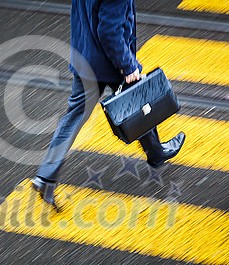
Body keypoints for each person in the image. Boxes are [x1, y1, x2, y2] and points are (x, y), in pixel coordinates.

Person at [31, 0, 186, 209]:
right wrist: (128, 66)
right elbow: (109, 32)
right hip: (110, 62)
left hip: (84, 56)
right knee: (138, 102)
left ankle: (46, 176)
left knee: (75, 116)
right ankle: (156, 151)